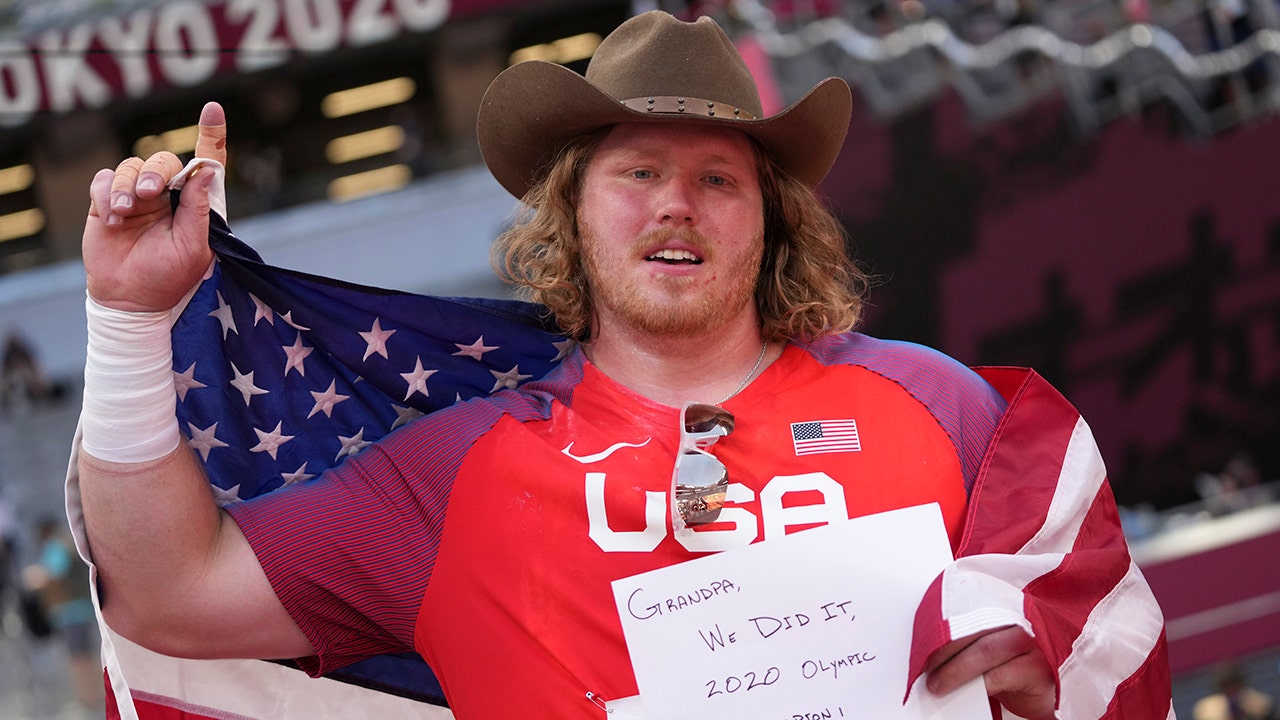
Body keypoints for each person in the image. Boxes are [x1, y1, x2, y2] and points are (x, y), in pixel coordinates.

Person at [75, 10, 1170, 719]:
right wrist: (128, 321)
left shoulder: (938, 407)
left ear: (771, 222)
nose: (675, 204)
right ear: (572, 215)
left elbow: (1091, 643)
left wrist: (1050, 681)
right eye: (637, 172)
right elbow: (170, 599)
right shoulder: (450, 480)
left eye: (718, 179)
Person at [1193, 661, 1278, 720]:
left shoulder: (1260, 705)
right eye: (1227, 687)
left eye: (1235, 686)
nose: (1232, 691)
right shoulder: (1207, 710)